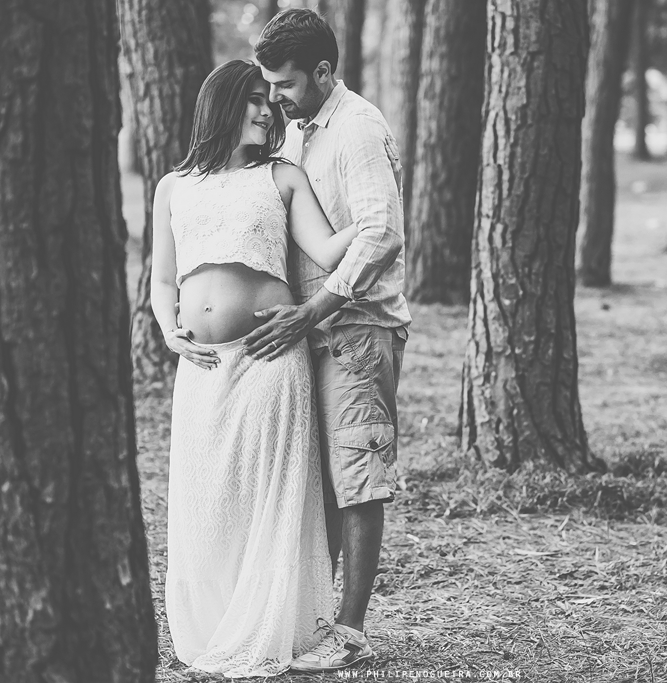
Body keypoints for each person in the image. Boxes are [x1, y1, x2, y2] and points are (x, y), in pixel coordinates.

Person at [150, 59, 359, 678]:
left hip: (270, 361)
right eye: (254, 101)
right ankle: (217, 623)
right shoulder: (173, 185)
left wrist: (374, 216)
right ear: (221, 105)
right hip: (202, 368)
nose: (268, 112)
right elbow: (164, 279)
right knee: (210, 502)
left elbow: (325, 248)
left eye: (271, 101)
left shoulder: (282, 177)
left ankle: (269, 625)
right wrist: (167, 331)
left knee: (268, 500)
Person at [248, 8, 412, 673]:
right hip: (310, 332)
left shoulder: (357, 129)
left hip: (356, 329)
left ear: (323, 71)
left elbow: (382, 232)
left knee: (356, 476)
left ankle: (349, 630)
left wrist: (316, 305)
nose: (274, 97)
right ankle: (314, 617)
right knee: (315, 480)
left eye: (284, 84)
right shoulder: (297, 134)